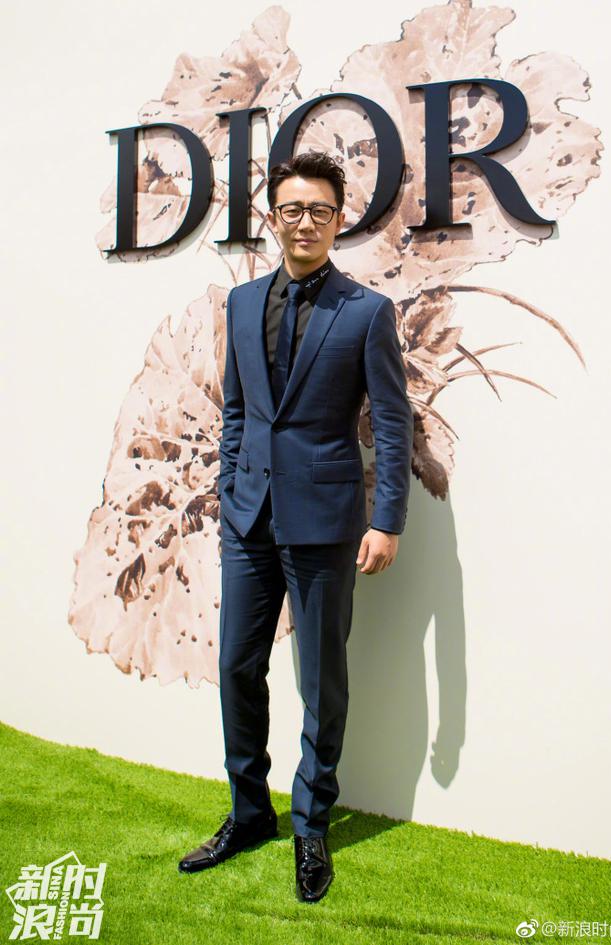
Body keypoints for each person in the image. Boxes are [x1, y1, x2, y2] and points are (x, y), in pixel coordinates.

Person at [178, 150, 413, 902]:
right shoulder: (243, 303)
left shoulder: (366, 312)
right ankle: (250, 812)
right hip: (248, 518)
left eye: (318, 210)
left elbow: (393, 424)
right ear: (272, 218)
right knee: (236, 669)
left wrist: (387, 519)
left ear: (338, 220)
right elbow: (238, 409)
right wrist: (229, 489)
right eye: (291, 210)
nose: (304, 222)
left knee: (320, 679)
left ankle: (311, 823)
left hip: (326, 523)